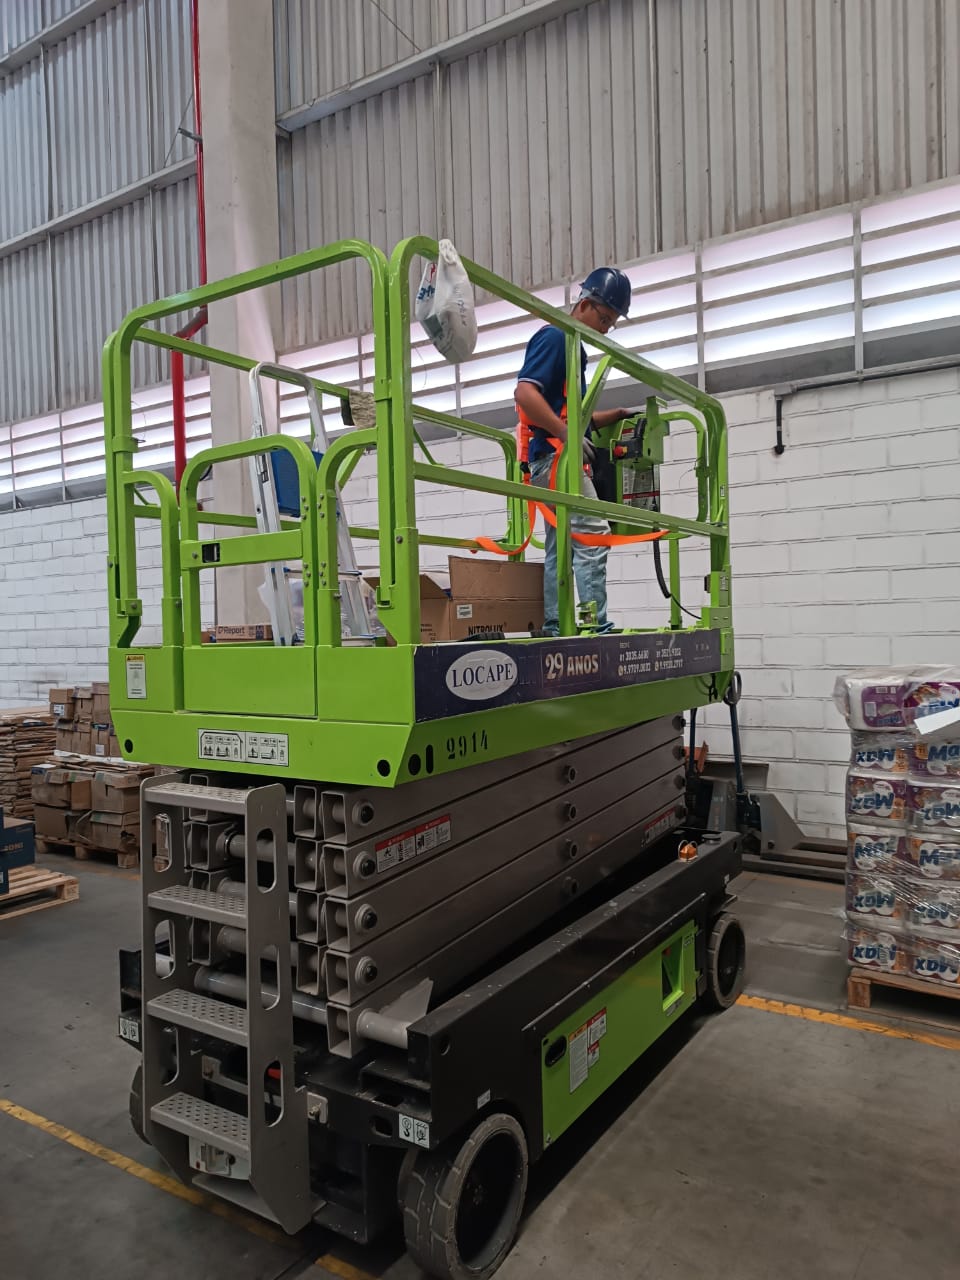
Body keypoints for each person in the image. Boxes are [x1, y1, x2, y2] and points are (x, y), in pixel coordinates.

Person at [515, 267, 635, 636]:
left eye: (611, 323)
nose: (605, 329)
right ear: (584, 304)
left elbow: (564, 411)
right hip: (554, 459)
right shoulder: (555, 338)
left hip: (554, 457)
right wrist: (566, 435)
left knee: (562, 546)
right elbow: (525, 394)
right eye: (604, 319)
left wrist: (607, 418)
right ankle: (592, 625)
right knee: (594, 533)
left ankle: (556, 625)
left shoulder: (572, 347)